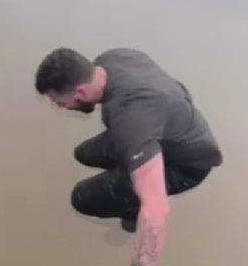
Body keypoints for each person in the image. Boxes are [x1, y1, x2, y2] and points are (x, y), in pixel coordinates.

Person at [34, 47, 223, 266]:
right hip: (154, 131)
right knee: (84, 154)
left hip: (187, 165)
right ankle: (136, 171)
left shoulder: (131, 122)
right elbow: (175, 88)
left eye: (60, 103)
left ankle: (132, 207)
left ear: (82, 93)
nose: (63, 108)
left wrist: (145, 260)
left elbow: (156, 207)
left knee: (82, 198)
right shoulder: (114, 58)